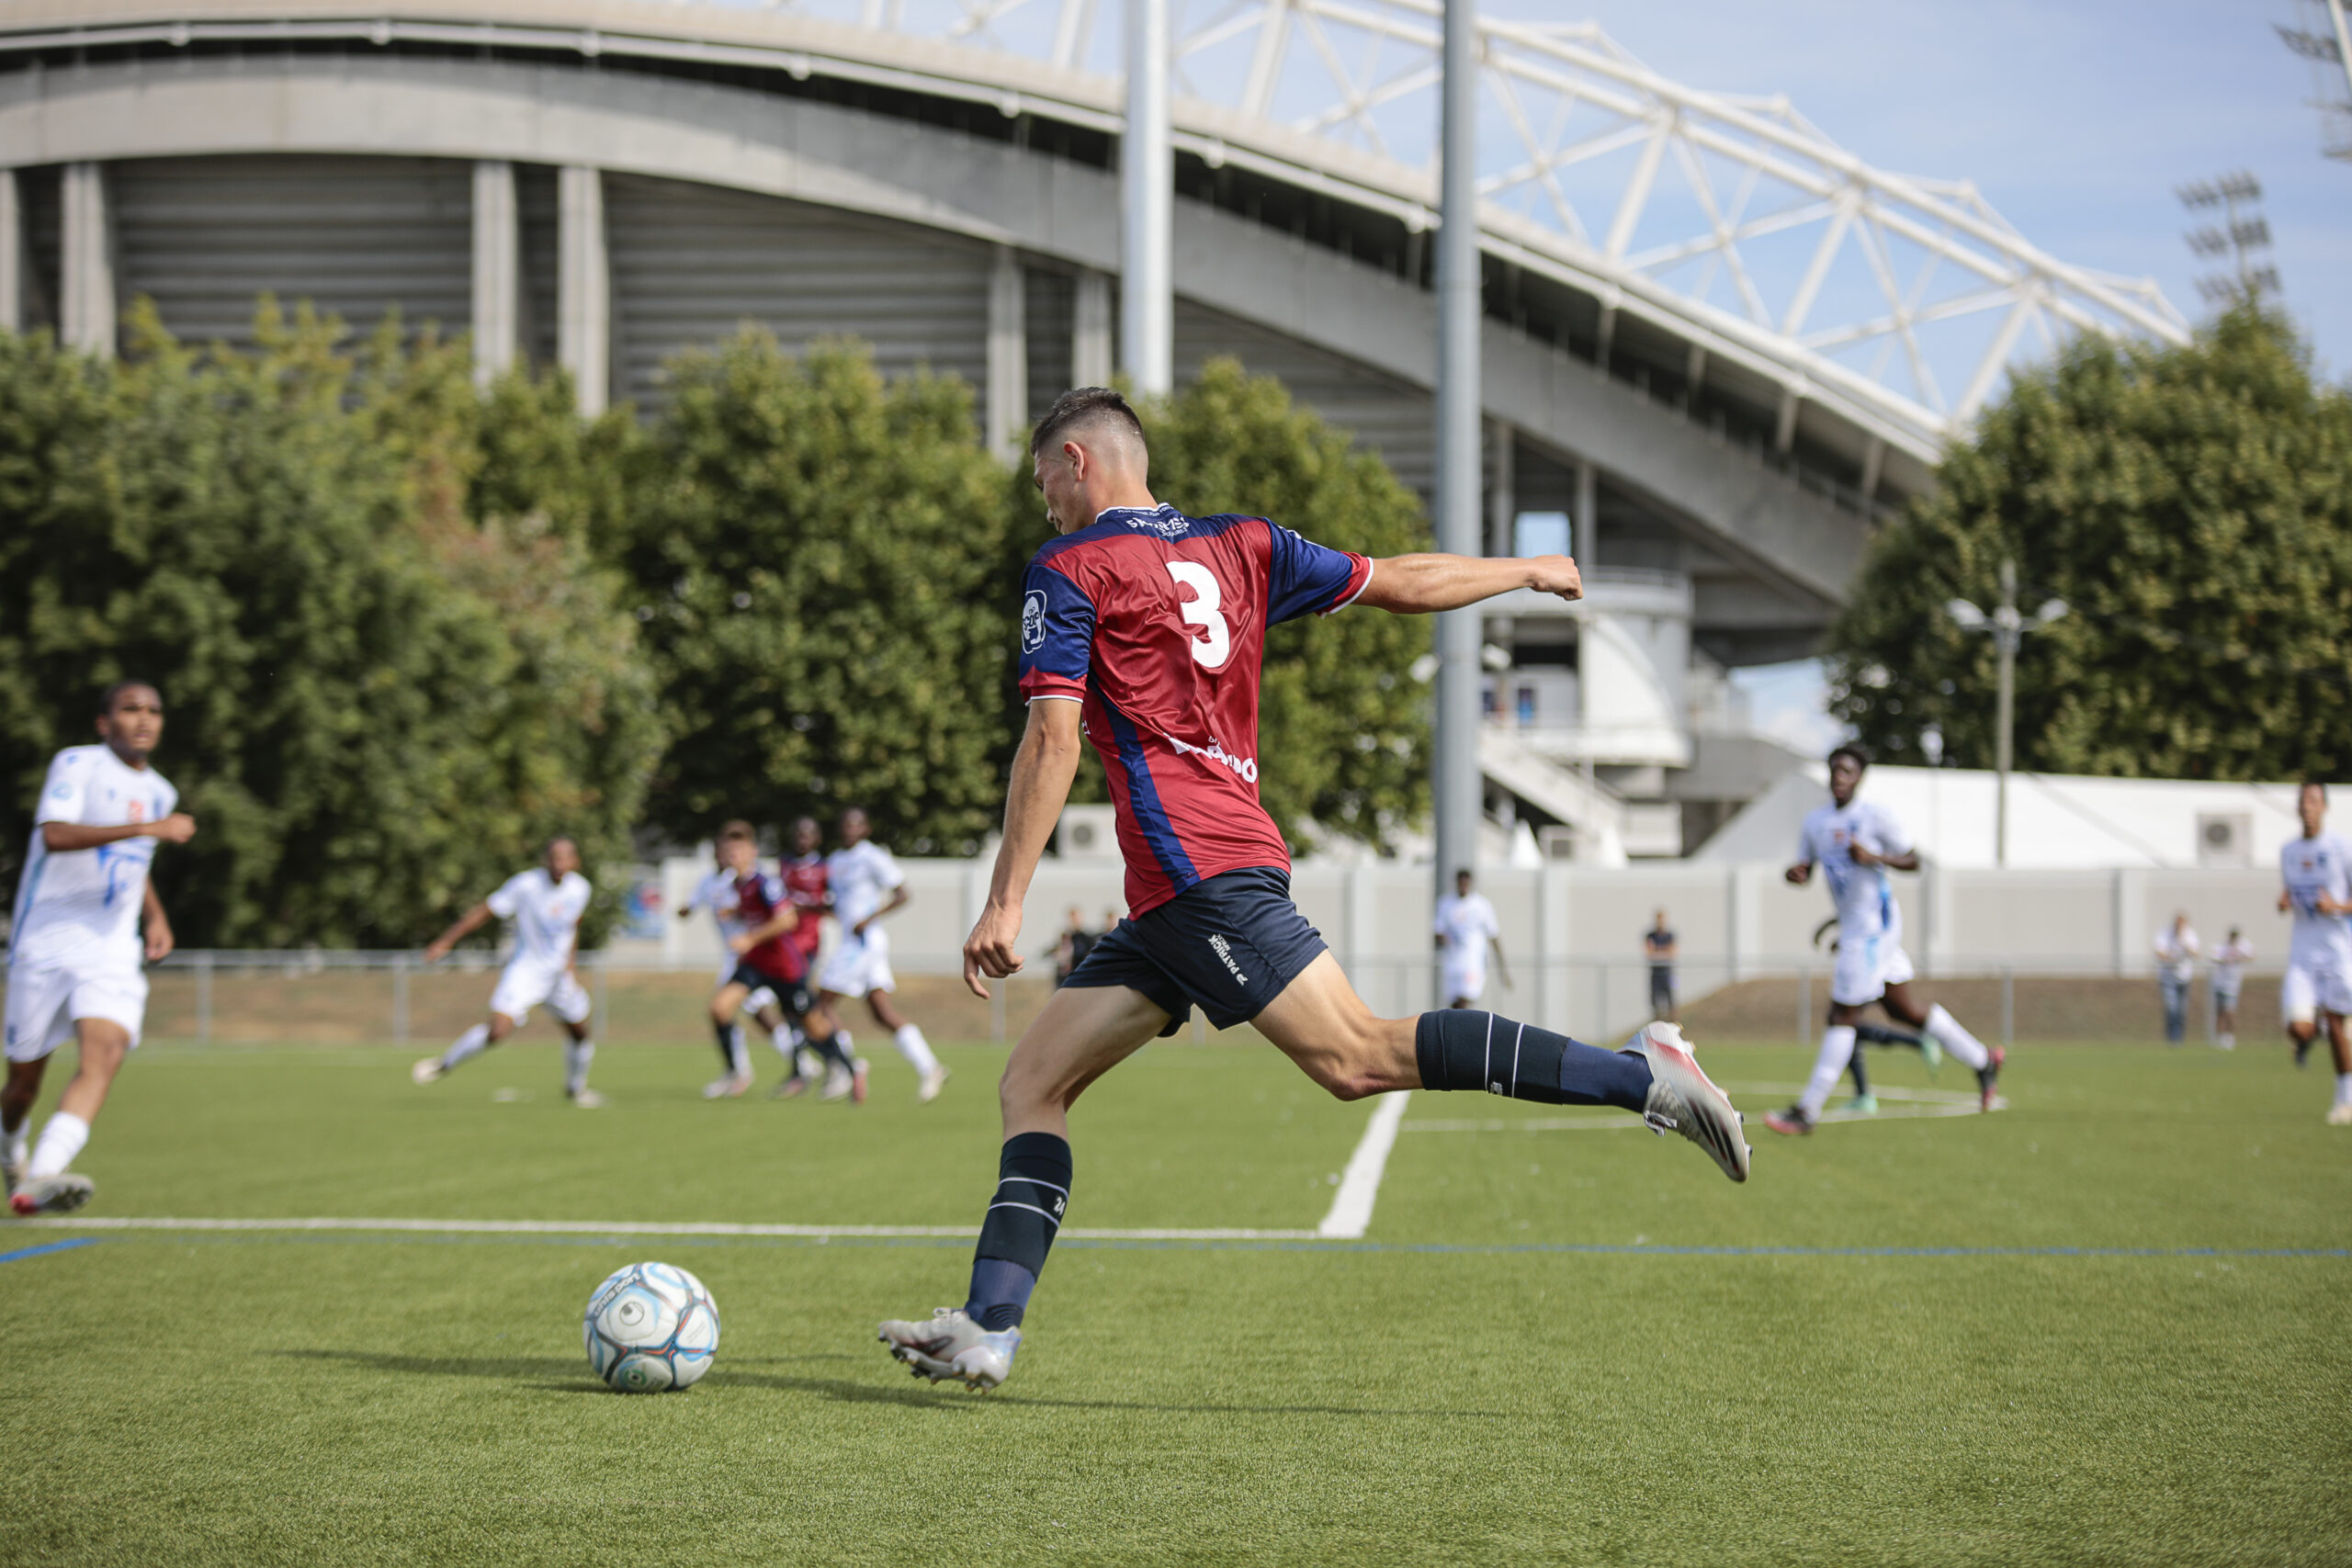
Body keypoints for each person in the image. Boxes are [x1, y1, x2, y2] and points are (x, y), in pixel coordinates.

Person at [876, 387, 1747, 1393]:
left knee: (1356, 1056)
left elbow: (1051, 736)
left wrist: (1005, 899)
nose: (1044, 506)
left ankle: (1643, 1076)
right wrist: (1521, 570)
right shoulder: (1243, 544)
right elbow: (1398, 579)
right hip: (1177, 894)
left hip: (1199, 874)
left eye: (1043, 483)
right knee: (1032, 1083)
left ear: (1078, 461)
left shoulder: (1070, 567)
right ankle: (988, 1326)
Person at [3, 681, 195, 1216]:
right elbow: (55, 835)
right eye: (130, 709)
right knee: (22, 1085)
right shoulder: (77, 764)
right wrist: (147, 826)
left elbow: (134, 862)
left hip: (111, 948)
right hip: (45, 943)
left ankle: (43, 1176)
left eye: (154, 710)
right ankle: (11, 1150)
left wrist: (154, 914)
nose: (144, 719)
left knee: (106, 1051)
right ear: (103, 723)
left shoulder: (160, 790)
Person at [1764, 744, 2002, 1136]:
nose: (1839, 777)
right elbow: (1804, 867)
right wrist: (1797, 874)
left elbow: (1913, 860)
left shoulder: (1874, 816)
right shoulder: (1815, 822)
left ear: (1860, 777)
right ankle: (1982, 1059)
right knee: (1902, 1010)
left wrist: (1875, 857)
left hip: (1875, 929)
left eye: (1847, 771)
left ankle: (1807, 1111)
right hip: (1856, 929)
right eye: (1835, 769)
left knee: (1841, 1015)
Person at [413, 837, 603, 1106]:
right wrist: (446, 941)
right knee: (497, 1032)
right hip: (526, 971)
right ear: (545, 860)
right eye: (554, 857)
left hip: (558, 976)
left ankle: (576, 1089)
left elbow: (572, 929)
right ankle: (444, 1064)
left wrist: (570, 967)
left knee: (580, 1032)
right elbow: (485, 911)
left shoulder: (580, 889)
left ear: (575, 861)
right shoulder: (526, 885)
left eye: (565, 858)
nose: (559, 863)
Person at [709, 824, 861, 1102]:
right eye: (729, 851)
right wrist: (737, 913)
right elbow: (756, 913)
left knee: (812, 1025)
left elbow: (787, 919)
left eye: (738, 850)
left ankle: (850, 1067)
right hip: (755, 965)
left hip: (784, 967)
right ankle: (735, 1073)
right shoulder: (739, 885)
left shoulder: (766, 883)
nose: (733, 855)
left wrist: (750, 938)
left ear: (752, 852)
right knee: (720, 1008)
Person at [819, 807, 949, 1103]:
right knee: (881, 1012)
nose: (850, 829)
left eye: (856, 824)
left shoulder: (872, 856)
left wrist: (869, 918)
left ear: (866, 829)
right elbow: (839, 903)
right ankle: (930, 1067)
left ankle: (847, 1067)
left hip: (863, 943)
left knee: (821, 1004)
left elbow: (903, 893)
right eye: (845, 823)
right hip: (854, 941)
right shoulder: (836, 860)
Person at [2276, 782, 2352, 1122]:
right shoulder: (2289, 851)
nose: (2307, 806)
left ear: (2324, 807)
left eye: (2313, 800)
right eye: (2303, 800)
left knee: (2336, 1026)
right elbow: (2290, 892)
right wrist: (2283, 901)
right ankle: (2308, 1037)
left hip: (2337, 952)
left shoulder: (2342, 848)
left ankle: (2344, 1100)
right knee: (2298, 1028)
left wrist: (2336, 906)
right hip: (2302, 956)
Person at [679, 829, 769, 1097]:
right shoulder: (709, 882)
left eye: (732, 851)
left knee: (748, 1012)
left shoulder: (746, 880)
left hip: (752, 957)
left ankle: (803, 1063)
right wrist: (683, 910)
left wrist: (739, 916)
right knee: (733, 1012)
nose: (727, 856)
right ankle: (738, 1071)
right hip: (734, 957)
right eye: (722, 852)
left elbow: (769, 912)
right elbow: (690, 905)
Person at [1432, 869, 1510, 1008]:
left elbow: (1493, 935)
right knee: (1454, 1005)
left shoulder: (1481, 905)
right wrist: (1446, 939)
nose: (1463, 887)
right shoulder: (1445, 904)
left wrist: (1503, 969)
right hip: (1452, 964)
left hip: (1472, 963)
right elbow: (1438, 932)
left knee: (1465, 1000)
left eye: (1466, 884)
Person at [2154, 912, 2200, 1045]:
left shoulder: (2190, 935)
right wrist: (2170, 957)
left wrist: (2184, 944)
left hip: (2184, 977)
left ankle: (2180, 1038)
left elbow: (2196, 953)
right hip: (2168, 977)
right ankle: (2172, 1038)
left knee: (2182, 1011)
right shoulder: (2165, 934)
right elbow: (2159, 952)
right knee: (2172, 1008)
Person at [2211, 927, 2252, 1050]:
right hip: (2220, 984)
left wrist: (2238, 957)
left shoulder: (2242, 947)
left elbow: (2251, 956)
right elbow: (2214, 958)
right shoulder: (2222, 947)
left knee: (2229, 1012)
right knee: (2220, 1012)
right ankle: (2220, 1038)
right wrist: (2224, 960)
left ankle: (2229, 1037)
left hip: (2232, 986)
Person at [1644, 910, 1678, 1024]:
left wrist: (1657, 951)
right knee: (1655, 1004)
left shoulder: (1670, 936)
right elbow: (1649, 954)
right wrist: (1663, 951)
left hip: (1667, 973)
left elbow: (1672, 954)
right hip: (1655, 974)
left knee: (1671, 1002)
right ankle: (1657, 1027)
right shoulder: (1650, 936)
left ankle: (1673, 1027)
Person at [1052, 907, 1098, 987]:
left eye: (1076, 917)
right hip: (1064, 977)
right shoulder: (1065, 937)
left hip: (1081, 977)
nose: (1074, 920)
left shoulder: (1087, 938)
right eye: (1071, 917)